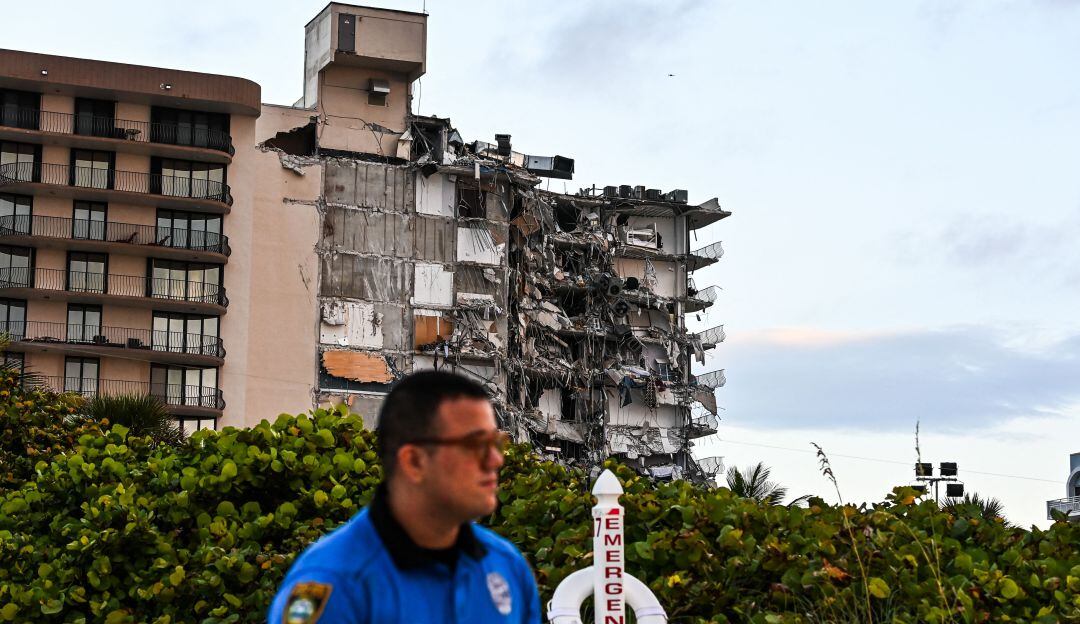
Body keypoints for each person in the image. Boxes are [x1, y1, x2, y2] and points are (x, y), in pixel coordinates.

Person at [268, 370, 542, 623]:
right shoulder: (336, 583)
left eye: (496, 444)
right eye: (475, 445)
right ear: (414, 461)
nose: (495, 460)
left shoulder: (506, 565)